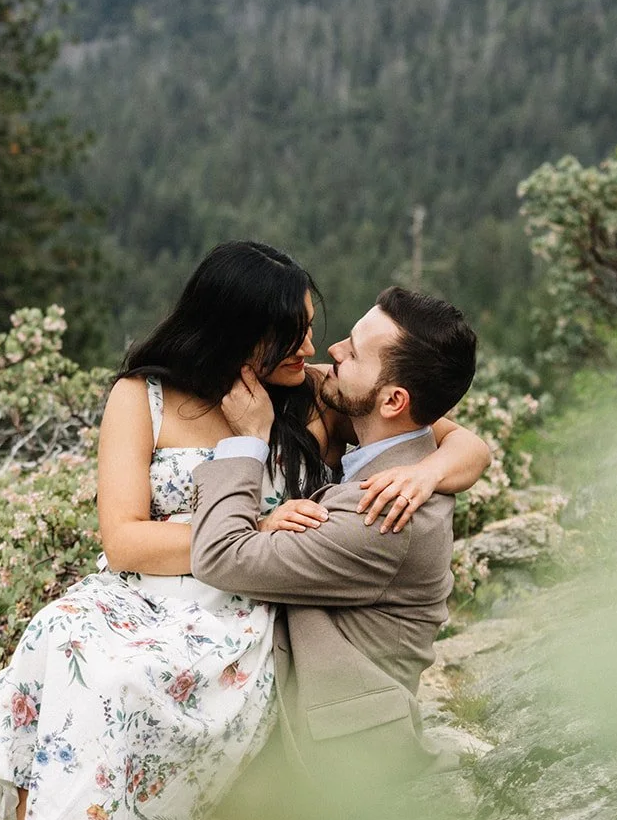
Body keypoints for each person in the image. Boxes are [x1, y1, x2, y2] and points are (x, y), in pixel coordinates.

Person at [0, 247, 489, 820]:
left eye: (316, 334)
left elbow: (454, 433)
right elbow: (123, 538)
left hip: (237, 619)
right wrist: (240, 526)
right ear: (241, 333)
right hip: (141, 596)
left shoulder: (311, 395)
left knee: (109, 681)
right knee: (57, 643)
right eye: (295, 334)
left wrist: (432, 470)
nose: (312, 350)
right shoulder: (143, 397)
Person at [189, 286, 479, 779]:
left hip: (334, 759)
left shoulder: (384, 515)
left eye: (354, 351)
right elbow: (467, 443)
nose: (333, 351)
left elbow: (219, 556)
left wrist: (243, 442)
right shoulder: (404, 452)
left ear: (393, 400)